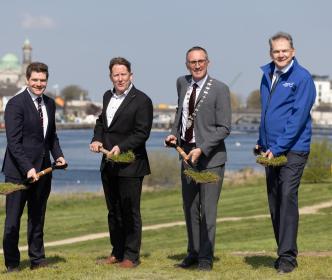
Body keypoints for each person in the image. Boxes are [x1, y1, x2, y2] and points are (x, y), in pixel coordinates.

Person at [165, 46, 231, 271]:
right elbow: (180, 114)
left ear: (208, 63)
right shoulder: (181, 83)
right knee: (190, 208)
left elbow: (224, 128)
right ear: (187, 65)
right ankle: (193, 253)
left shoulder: (220, 89)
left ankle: (206, 258)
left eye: (201, 61)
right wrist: (174, 133)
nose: (197, 65)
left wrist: (202, 149)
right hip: (186, 156)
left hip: (211, 158)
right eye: (192, 62)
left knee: (208, 209)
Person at [257, 32, 316, 274]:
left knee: (287, 197)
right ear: (271, 53)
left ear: (292, 51)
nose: (280, 54)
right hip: (271, 151)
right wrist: (262, 143)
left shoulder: (302, 78)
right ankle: (282, 251)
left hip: (294, 149)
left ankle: (288, 258)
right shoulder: (267, 75)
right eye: (276, 51)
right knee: (275, 202)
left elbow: (297, 118)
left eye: (284, 50)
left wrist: (278, 147)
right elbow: (266, 114)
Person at [2, 62, 66, 272]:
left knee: (37, 217)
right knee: (12, 221)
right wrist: (28, 168)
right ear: (27, 80)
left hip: (43, 170)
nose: (39, 84)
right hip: (17, 172)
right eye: (35, 80)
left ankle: (37, 260)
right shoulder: (14, 104)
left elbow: (51, 136)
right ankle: (12, 264)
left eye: (43, 80)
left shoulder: (49, 103)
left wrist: (58, 156)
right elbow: (14, 142)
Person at [90, 57, 153, 268]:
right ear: (111, 77)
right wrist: (97, 139)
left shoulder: (142, 100)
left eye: (123, 74)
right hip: (108, 163)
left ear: (131, 75)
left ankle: (131, 256)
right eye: (116, 75)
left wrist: (122, 147)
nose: (120, 78)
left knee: (130, 211)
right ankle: (117, 251)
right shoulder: (107, 96)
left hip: (131, 165)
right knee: (113, 211)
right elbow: (101, 122)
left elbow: (142, 133)